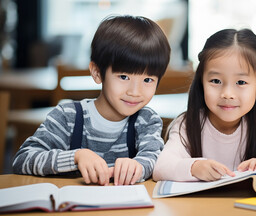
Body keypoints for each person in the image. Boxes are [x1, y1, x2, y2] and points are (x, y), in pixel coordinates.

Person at [13, 15, 170, 186]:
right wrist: (75, 157)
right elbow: (22, 160)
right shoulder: (68, 117)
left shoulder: (147, 121)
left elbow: (153, 159)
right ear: (97, 72)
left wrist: (138, 166)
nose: (135, 92)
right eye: (124, 76)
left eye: (148, 80)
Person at [153, 28, 256, 182]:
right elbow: (161, 167)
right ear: (202, 80)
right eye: (215, 81)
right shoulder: (186, 125)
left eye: (241, 82)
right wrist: (194, 167)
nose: (228, 94)